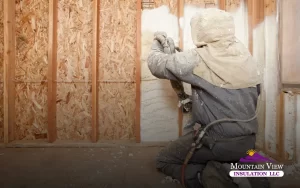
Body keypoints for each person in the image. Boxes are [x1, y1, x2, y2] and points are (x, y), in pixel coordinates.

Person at [147, 8, 262, 188]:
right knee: (241, 162)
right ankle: (239, 170)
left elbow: (156, 64)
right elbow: (239, 94)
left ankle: (207, 178)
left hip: (216, 142)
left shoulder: (198, 58)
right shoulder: (246, 56)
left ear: (201, 30)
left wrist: (157, 41)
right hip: (248, 141)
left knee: (164, 160)